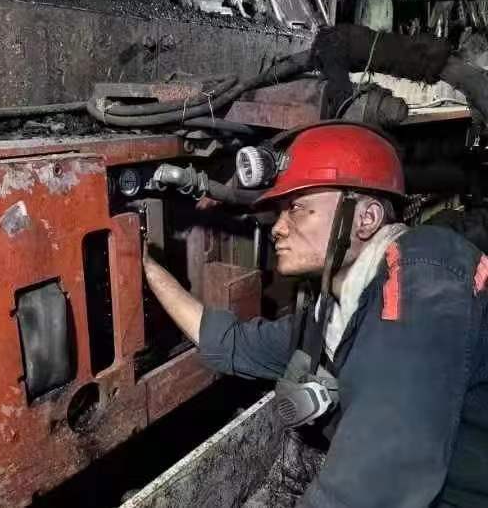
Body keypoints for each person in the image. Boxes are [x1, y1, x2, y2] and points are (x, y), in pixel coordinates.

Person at [143, 122, 488, 508]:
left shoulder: (426, 275)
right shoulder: (329, 315)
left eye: (296, 208)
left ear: (366, 218)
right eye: (279, 212)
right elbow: (232, 343)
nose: (278, 228)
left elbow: (374, 483)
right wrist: (150, 271)